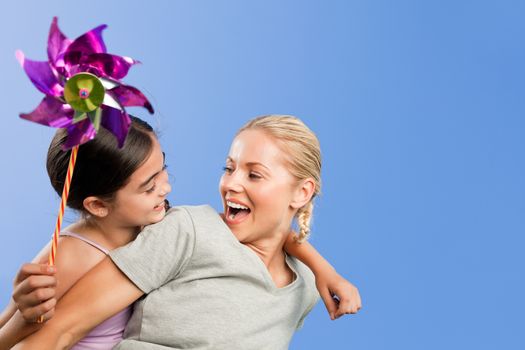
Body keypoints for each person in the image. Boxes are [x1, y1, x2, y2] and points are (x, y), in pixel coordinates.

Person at [6, 115, 361, 349]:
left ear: (302, 192)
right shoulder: (179, 230)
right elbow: (52, 333)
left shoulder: (305, 288)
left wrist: (322, 269)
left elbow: (271, 237)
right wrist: (22, 321)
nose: (229, 184)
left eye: (254, 174)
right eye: (229, 168)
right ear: (98, 205)